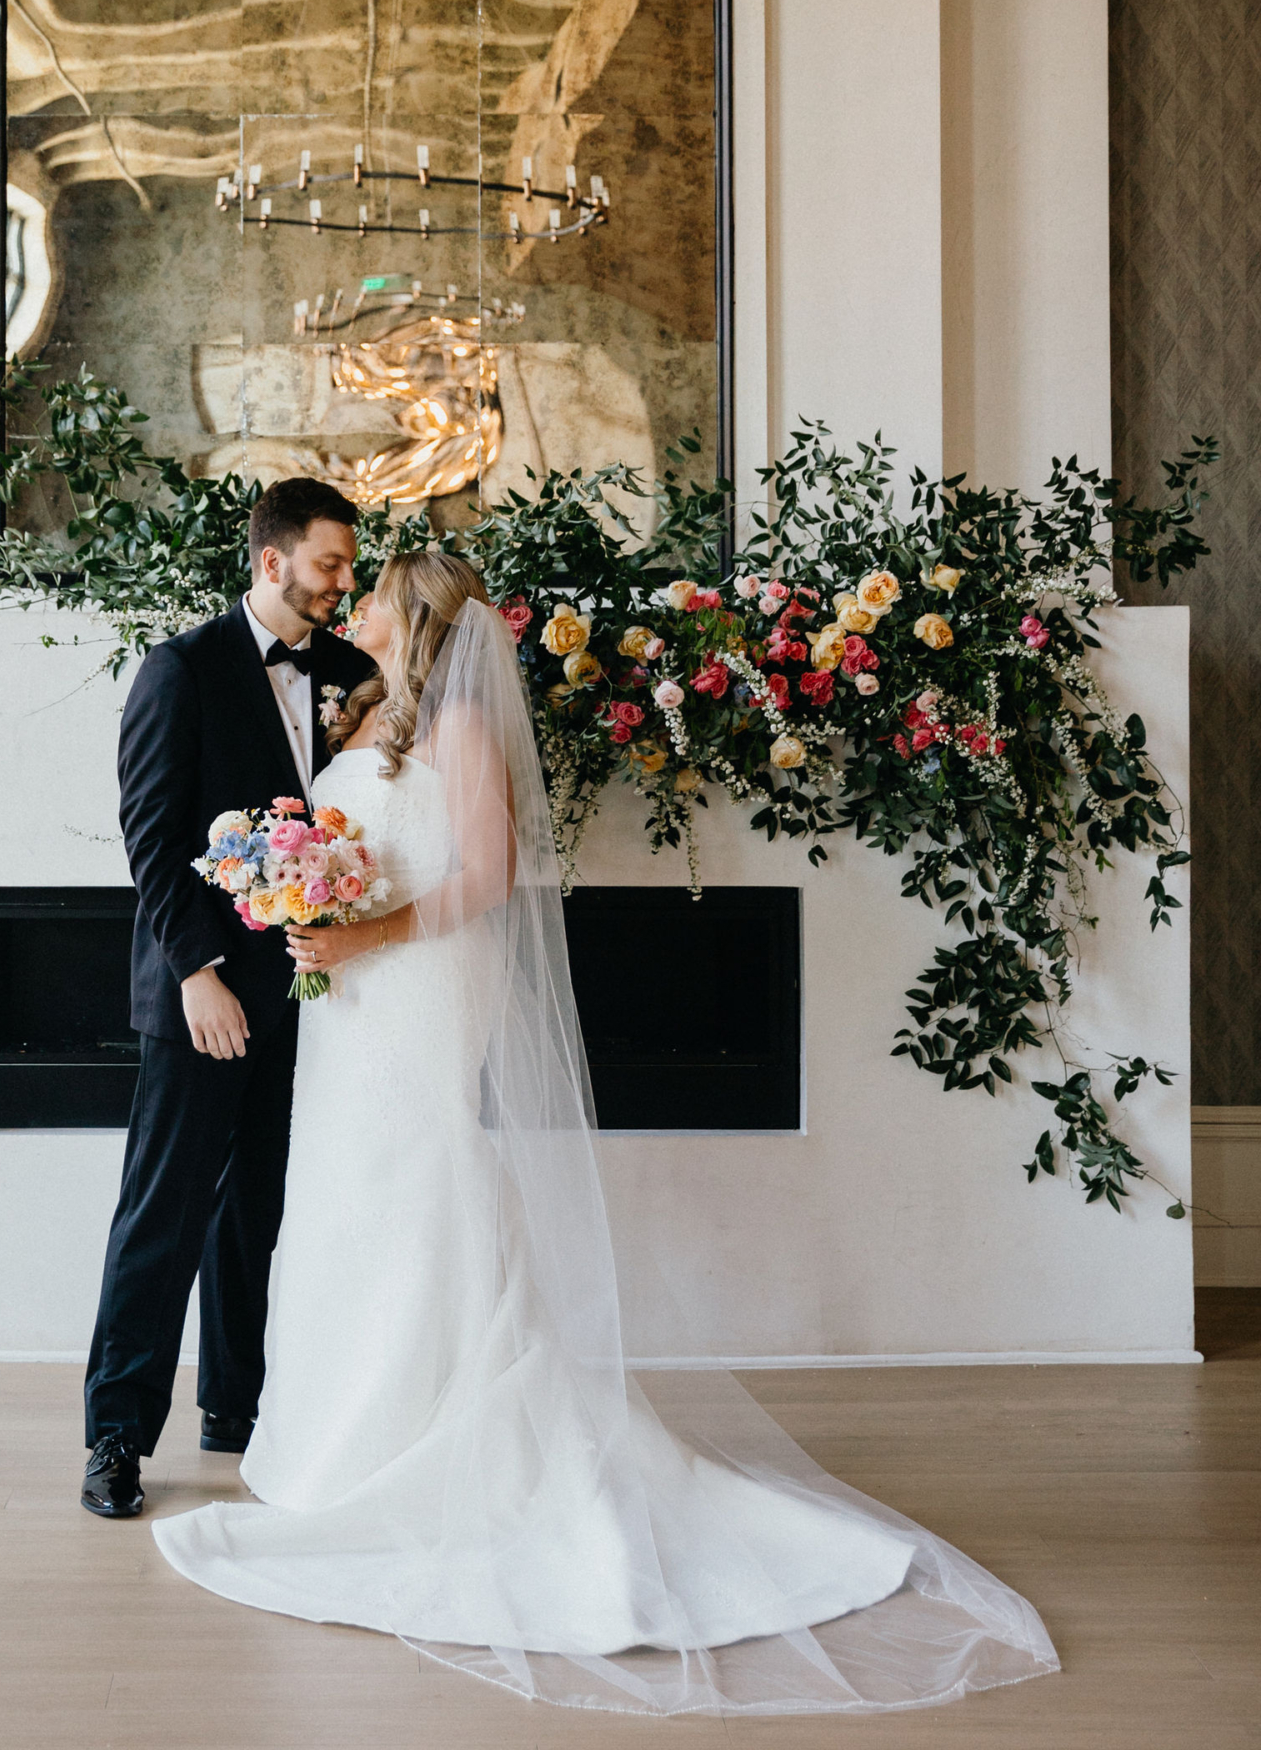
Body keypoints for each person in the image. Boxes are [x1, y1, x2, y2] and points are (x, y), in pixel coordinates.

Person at [150, 550, 1061, 1719]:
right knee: (343, 1196)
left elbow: (487, 875)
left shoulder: (465, 722)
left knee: (422, 1179)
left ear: (418, 615)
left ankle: (431, 1439)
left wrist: (360, 936)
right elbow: (365, 849)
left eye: (375, 590)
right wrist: (300, 891)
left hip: (420, 984)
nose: (357, 605)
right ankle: (331, 1445)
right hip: (355, 1000)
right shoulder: (370, 708)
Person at [80, 478, 376, 1520]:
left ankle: (237, 1410)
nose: (347, 582)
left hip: (306, 987)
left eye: (350, 564)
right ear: (271, 561)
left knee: (259, 1210)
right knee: (161, 1217)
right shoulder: (182, 669)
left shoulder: (352, 671)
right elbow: (153, 843)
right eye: (331, 563)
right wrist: (198, 974)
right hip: (202, 994)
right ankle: (116, 1436)